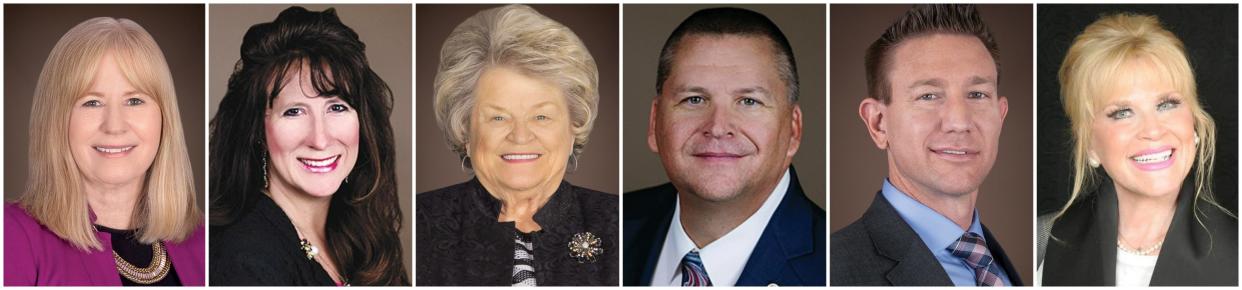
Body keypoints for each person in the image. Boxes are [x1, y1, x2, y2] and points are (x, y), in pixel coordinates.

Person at [416, 4, 617, 286]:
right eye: (498, 117)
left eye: (541, 116)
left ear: (574, 127)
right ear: (464, 129)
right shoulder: (417, 224)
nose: (521, 136)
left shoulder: (619, 222)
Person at [623, 7, 825, 286]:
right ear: (655, 122)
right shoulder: (606, 227)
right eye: (694, 99)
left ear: (793, 130)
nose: (718, 127)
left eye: (748, 101)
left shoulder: (838, 265)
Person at [208, 7, 408, 286]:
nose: (320, 139)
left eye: (337, 107)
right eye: (294, 112)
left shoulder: (362, 238)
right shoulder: (243, 258)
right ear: (257, 132)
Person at [1037, 13, 1237, 286]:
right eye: (1122, 113)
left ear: (1193, 124)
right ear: (1090, 145)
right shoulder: (1040, 242)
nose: (1153, 131)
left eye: (1167, 104)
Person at [832, 4, 1023, 286]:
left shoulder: (1009, 262)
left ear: (1000, 116)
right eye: (929, 96)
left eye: (977, 94)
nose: (959, 121)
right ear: (878, 123)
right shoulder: (835, 270)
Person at [4, 17, 204, 286]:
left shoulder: (205, 239)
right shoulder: (11, 236)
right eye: (92, 102)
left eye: (134, 100)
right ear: (56, 119)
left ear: (164, 118)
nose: (114, 125)